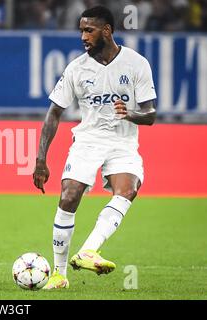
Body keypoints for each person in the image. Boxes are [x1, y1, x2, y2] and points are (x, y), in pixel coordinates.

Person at [33, 6, 156, 289]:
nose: (83, 36)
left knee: (128, 190)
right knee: (69, 196)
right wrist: (41, 159)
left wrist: (130, 113)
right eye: (81, 30)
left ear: (107, 30)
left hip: (123, 142)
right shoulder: (77, 68)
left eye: (89, 30)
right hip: (88, 140)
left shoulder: (136, 64)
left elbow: (150, 115)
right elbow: (54, 112)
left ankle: (88, 251)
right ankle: (59, 274)